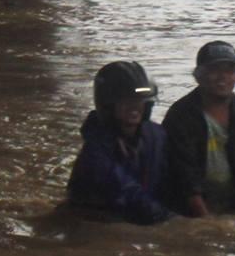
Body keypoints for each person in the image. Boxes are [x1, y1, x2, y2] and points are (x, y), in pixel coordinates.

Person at [162, 41, 235, 217]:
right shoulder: (180, 115)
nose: (223, 77)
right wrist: (207, 224)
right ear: (199, 76)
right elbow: (184, 178)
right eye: (214, 70)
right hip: (192, 206)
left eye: (229, 70)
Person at [66, 61, 171, 225]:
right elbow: (126, 193)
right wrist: (173, 222)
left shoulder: (156, 135)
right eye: (125, 100)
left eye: (139, 100)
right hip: (98, 223)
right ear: (108, 105)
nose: (134, 106)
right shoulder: (95, 151)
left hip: (144, 215)